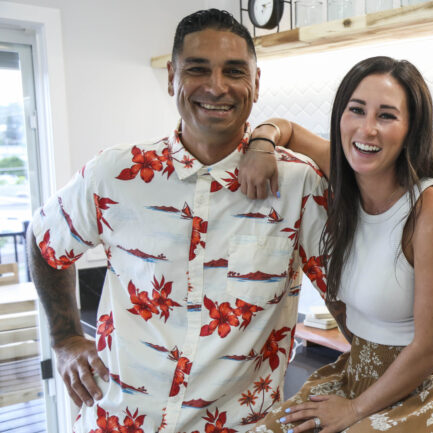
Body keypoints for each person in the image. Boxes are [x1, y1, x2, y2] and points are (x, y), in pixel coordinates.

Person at [26, 9, 328, 432]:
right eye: (197, 69)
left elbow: (354, 298)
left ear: (256, 84)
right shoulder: (115, 173)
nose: (216, 87)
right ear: (172, 77)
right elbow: (43, 241)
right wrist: (65, 339)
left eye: (234, 71)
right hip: (118, 420)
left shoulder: (298, 184)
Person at [237, 56, 433, 433]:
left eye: (386, 116)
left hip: (425, 381)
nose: (368, 130)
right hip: (358, 371)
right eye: (357, 110)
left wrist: (358, 411)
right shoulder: (345, 171)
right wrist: (262, 142)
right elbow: (289, 130)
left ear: (412, 128)